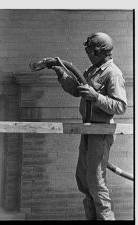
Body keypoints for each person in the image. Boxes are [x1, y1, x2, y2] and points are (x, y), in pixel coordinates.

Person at [44, 32, 127, 220]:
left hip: (101, 131)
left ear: (99, 52)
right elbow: (76, 89)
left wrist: (96, 96)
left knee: (96, 183)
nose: (87, 54)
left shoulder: (113, 73)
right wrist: (59, 71)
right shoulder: (93, 70)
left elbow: (121, 106)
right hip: (88, 129)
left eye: (90, 51)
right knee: (83, 180)